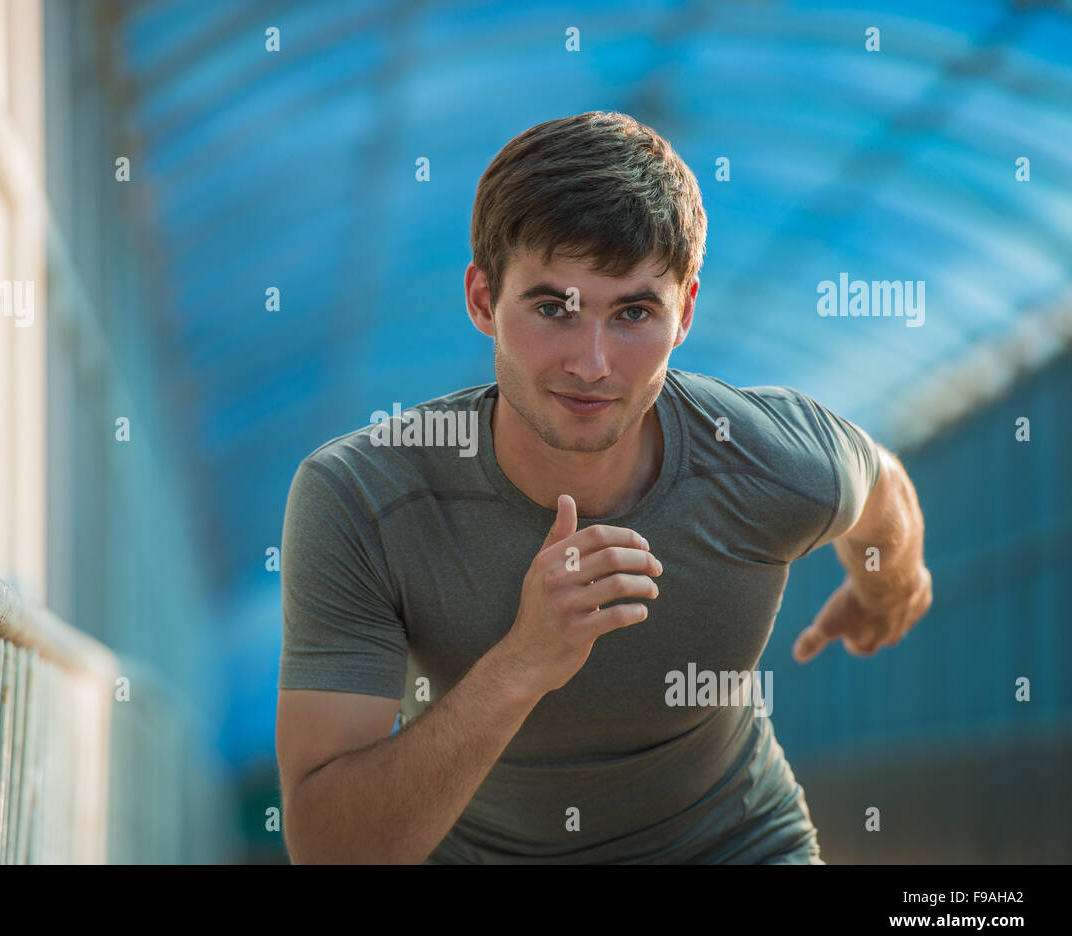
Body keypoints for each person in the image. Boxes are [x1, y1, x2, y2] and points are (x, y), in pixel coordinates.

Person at [275, 111, 932, 864]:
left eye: (634, 313)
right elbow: (328, 847)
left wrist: (889, 585)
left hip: (736, 844)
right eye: (554, 306)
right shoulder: (363, 496)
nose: (592, 362)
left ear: (684, 312)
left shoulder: (764, 457)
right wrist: (523, 662)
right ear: (483, 300)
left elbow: (882, 485)